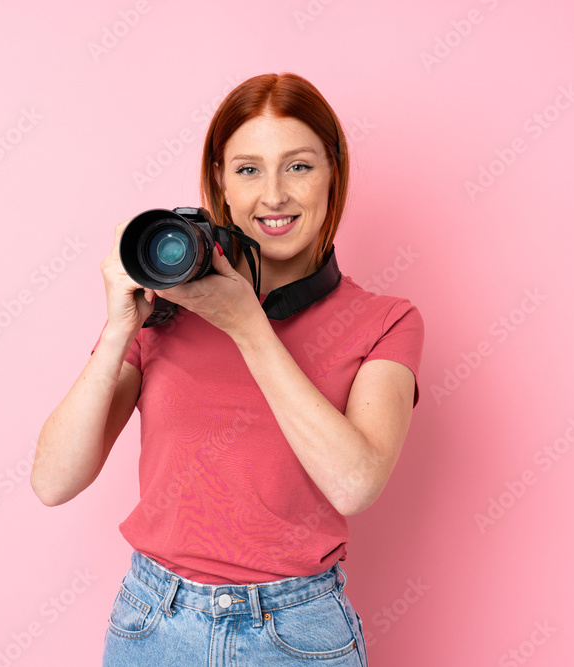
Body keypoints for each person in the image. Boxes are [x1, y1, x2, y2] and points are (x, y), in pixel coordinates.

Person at [31, 72, 424, 666]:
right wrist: (118, 331)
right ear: (220, 179)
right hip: (153, 622)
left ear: (333, 174)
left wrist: (246, 325)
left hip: (296, 633)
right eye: (248, 170)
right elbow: (53, 482)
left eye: (298, 166)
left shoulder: (386, 320)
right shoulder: (167, 306)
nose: (274, 195)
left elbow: (355, 483)